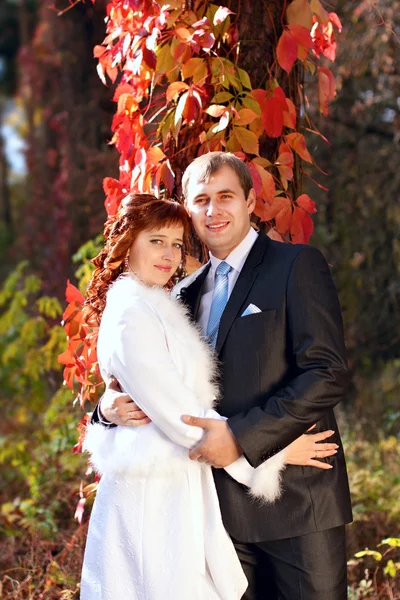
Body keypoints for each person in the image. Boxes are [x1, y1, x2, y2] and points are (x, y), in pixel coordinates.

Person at [96, 153, 353, 600]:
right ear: (188, 211)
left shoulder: (296, 266)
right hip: (216, 513)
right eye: (201, 200)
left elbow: (326, 372)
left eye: (225, 197)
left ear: (251, 201)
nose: (213, 211)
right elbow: (150, 381)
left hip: (298, 502)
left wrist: (247, 438)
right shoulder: (178, 294)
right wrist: (104, 410)